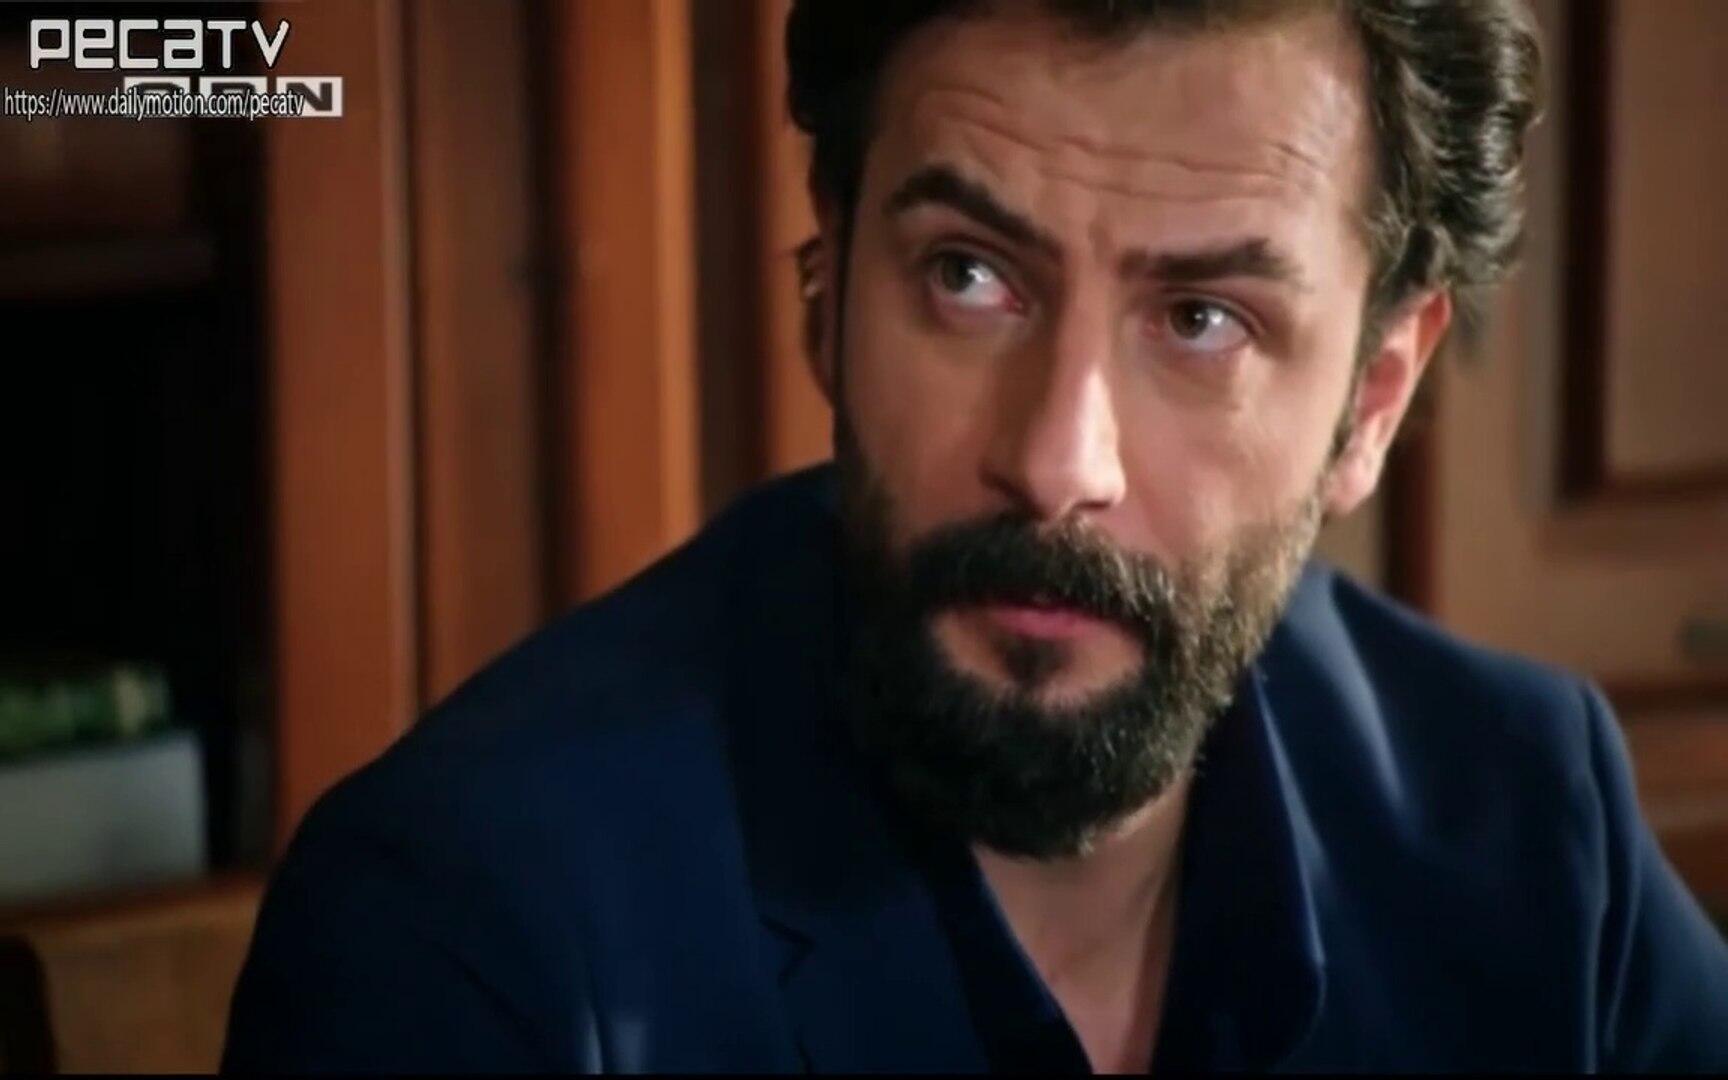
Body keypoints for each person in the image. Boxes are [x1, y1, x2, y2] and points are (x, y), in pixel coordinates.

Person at [223, 0, 1728, 1072]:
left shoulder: (1539, 831)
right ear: (827, 282)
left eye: (1204, 320)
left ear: (1374, 399)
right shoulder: (464, 928)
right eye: (969, 278)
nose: (1057, 463)